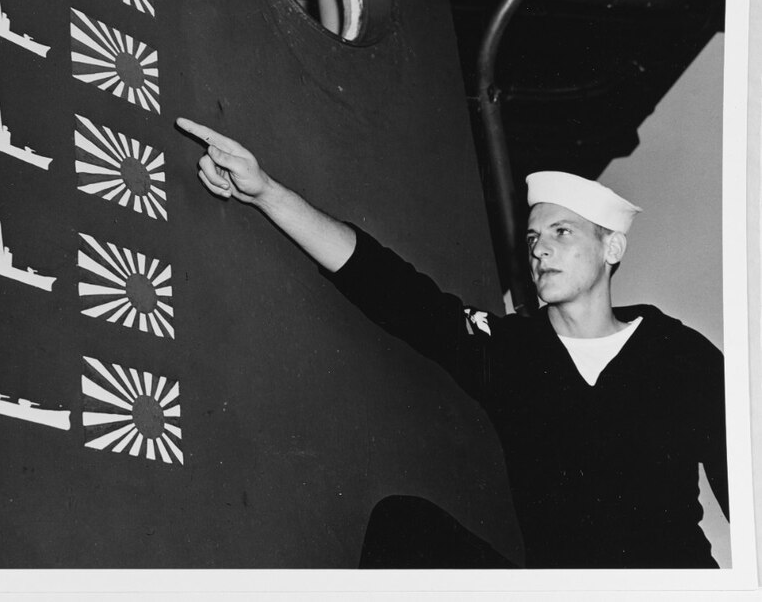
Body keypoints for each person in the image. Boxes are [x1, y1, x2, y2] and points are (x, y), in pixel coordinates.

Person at [176, 117, 729, 569]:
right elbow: (393, 288)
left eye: (562, 233)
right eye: (533, 238)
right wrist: (268, 193)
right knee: (404, 527)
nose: (539, 251)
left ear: (612, 250)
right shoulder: (512, 354)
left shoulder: (681, 355)